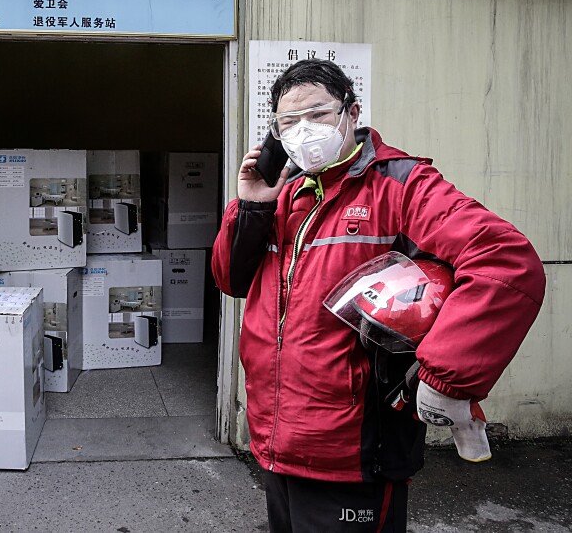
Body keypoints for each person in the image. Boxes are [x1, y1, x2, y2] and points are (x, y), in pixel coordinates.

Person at [211, 58, 546, 532]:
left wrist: (445, 376)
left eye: (319, 115)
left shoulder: (401, 186)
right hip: (277, 439)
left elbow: (505, 261)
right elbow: (230, 279)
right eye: (289, 122)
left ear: (352, 111)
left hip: (353, 453)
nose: (305, 131)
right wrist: (251, 206)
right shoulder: (282, 194)